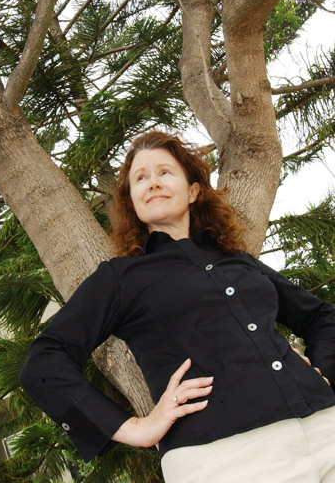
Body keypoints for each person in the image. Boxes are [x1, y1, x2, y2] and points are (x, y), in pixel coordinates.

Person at [20, 130, 335, 482]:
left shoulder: (238, 262)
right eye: (141, 178)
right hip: (225, 460)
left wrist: (323, 370)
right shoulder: (121, 278)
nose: (152, 182)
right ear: (133, 203)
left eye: (165, 172)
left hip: (326, 427)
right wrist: (136, 427)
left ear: (193, 191)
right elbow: (44, 361)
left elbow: (322, 317)